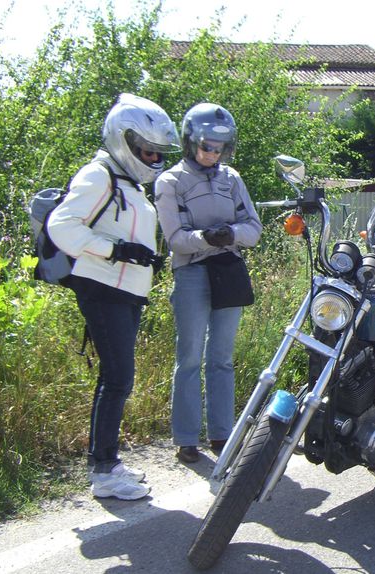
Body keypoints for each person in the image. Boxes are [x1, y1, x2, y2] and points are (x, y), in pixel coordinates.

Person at [48, 93, 180, 500]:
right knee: (119, 377)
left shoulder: (131, 182)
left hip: (124, 291)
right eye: (147, 150)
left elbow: (125, 232)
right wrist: (115, 250)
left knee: (115, 377)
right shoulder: (99, 174)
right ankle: (104, 472)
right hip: (101, 287)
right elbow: (61, 226)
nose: (154, 158)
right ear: (123, 139)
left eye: (159, 152)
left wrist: (141, 255)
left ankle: (107, 464)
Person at [155, 103, 263, 463]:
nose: (212, 153)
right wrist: (207, 238)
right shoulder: (170, 181)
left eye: (219, 148)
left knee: (222, 358)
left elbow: (254, 229)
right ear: (189, 142)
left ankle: (222, 434)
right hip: (191, 272)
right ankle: (186, 439)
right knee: (188, 358)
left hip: (227, 271)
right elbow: (174, 239)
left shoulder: (231, 178)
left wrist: (229, 233)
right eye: (206, 146)